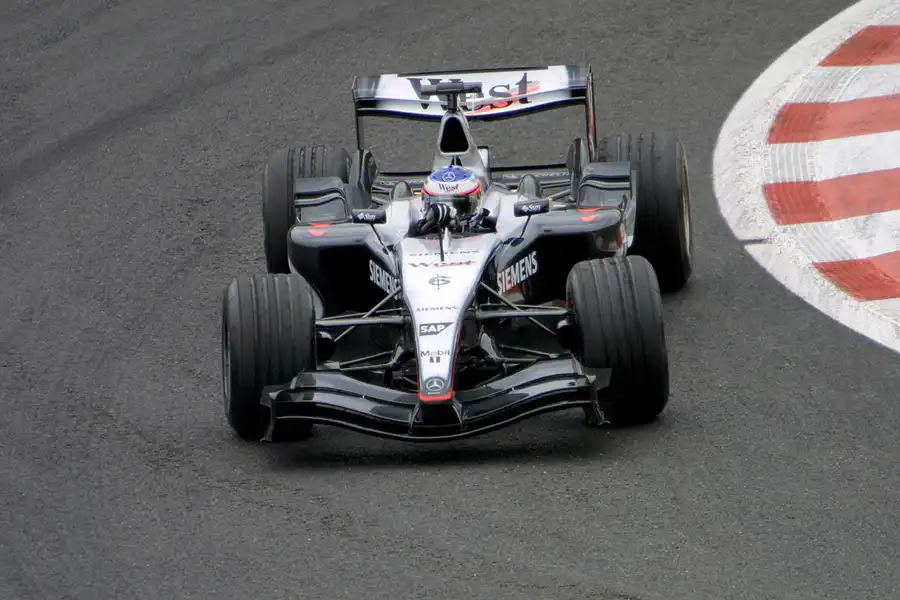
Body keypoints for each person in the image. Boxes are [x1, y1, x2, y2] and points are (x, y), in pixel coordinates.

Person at [409, 165, 487, 236]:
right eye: (439, 205)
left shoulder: (492, 227)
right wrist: (427, 226)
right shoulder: (414, 226)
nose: (451, 220)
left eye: (462, 208)